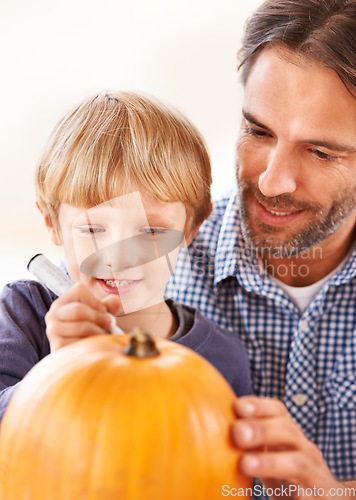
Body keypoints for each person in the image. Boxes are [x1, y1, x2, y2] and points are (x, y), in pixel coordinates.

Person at [167, 0, 356, 495]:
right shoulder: (147, 260)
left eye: (321, 152)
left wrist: (334, 492)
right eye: (257, 131)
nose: (272, 182)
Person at [0, 90, 252, 420]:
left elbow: (232, 469)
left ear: (191, 230)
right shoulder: (24, 316)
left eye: (151, 232)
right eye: (93, 229)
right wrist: (63, 368)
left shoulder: (222, 359)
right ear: (52, 223)